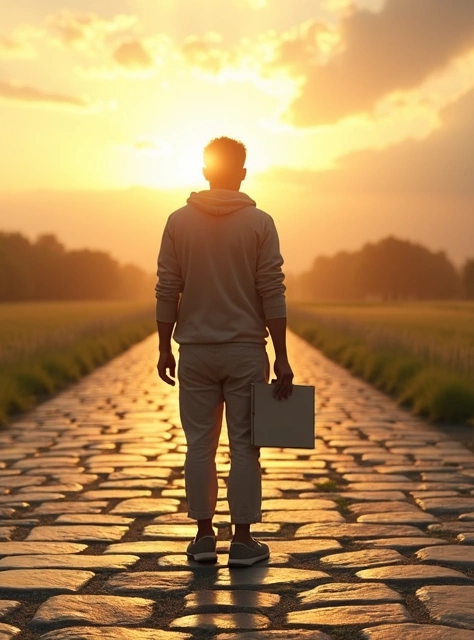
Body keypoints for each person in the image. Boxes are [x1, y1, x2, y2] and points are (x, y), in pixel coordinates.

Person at [154, 136, 293, 567]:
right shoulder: (260, 223)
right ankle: (243, 541)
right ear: (243, 173)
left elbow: (167, 287)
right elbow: (272, 289)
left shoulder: (178, 221)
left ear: (205, 172)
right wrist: (282, 355)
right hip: (245, 350)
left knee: (199, 445)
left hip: (195, 351)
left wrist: (163, 346)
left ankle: (202, 538)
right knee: (245, 446)